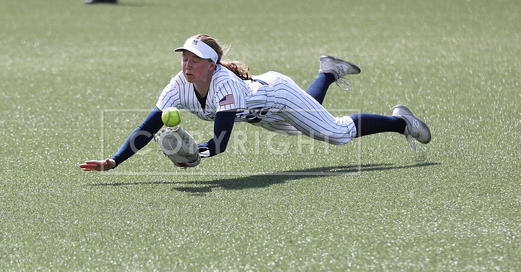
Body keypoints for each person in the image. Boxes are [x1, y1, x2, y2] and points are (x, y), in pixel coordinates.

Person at [79, 34, 431, 171]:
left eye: (194, 60)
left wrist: (195, 153)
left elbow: (221, 142)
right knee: (304, 121)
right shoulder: (177, 87)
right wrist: (113, 161)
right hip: (259, 113)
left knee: (336, 134)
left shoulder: (223, 86)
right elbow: (148, 127)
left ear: (211, 65)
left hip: (276, 94)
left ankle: (401, 121)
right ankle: (329, 71)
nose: (186, 65)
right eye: (184, 59)